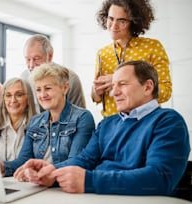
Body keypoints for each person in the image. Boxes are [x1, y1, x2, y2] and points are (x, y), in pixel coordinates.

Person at [16, 60, 190, 196]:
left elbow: (159, 178)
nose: (114, 93)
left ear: (147, 87)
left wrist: (89, 181)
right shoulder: (108, 123)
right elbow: (85, 160)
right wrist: (51, 172)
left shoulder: (168, 121)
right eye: (113, 86)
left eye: (122, 84)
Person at [0, 62, 95, 177]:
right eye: (38, 90)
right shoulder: (35, 121)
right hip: (37, 185)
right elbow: (23, 161)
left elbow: (75, 163)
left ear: (64, 88)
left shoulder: (82, 118)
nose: (42, 94)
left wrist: (45, 172)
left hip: (63, 187)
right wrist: (2, 166)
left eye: (48, 88)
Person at [91, 0, 172, 117]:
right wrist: (96, 92)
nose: (114, 26)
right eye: (110, 18)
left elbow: (165, 92)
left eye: (122, 21)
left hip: (143, 123)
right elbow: (97, 98)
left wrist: (117, 80)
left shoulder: (152, 47)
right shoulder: (102, 53)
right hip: (112, 125)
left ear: (134, 22)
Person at [21, 34, 86, 111]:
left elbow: (80, 115)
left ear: (50, 56)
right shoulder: (24, 78)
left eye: (36, 59)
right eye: (28, 59)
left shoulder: (71, 79)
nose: (31, 65)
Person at [0, 77, 37, 161]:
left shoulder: (39, 125)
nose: (13, 100)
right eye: (8, 95)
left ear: (28, 98)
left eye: (19, 95)